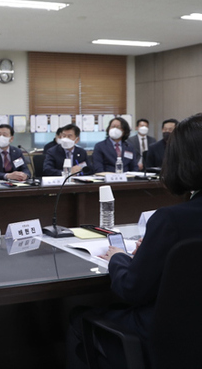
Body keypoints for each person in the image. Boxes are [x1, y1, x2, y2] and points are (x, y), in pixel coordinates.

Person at [66, 113, 202, 368]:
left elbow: (132, 290)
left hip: (166, 340)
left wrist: (118, 257)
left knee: (78, 317)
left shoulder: (170, 221)